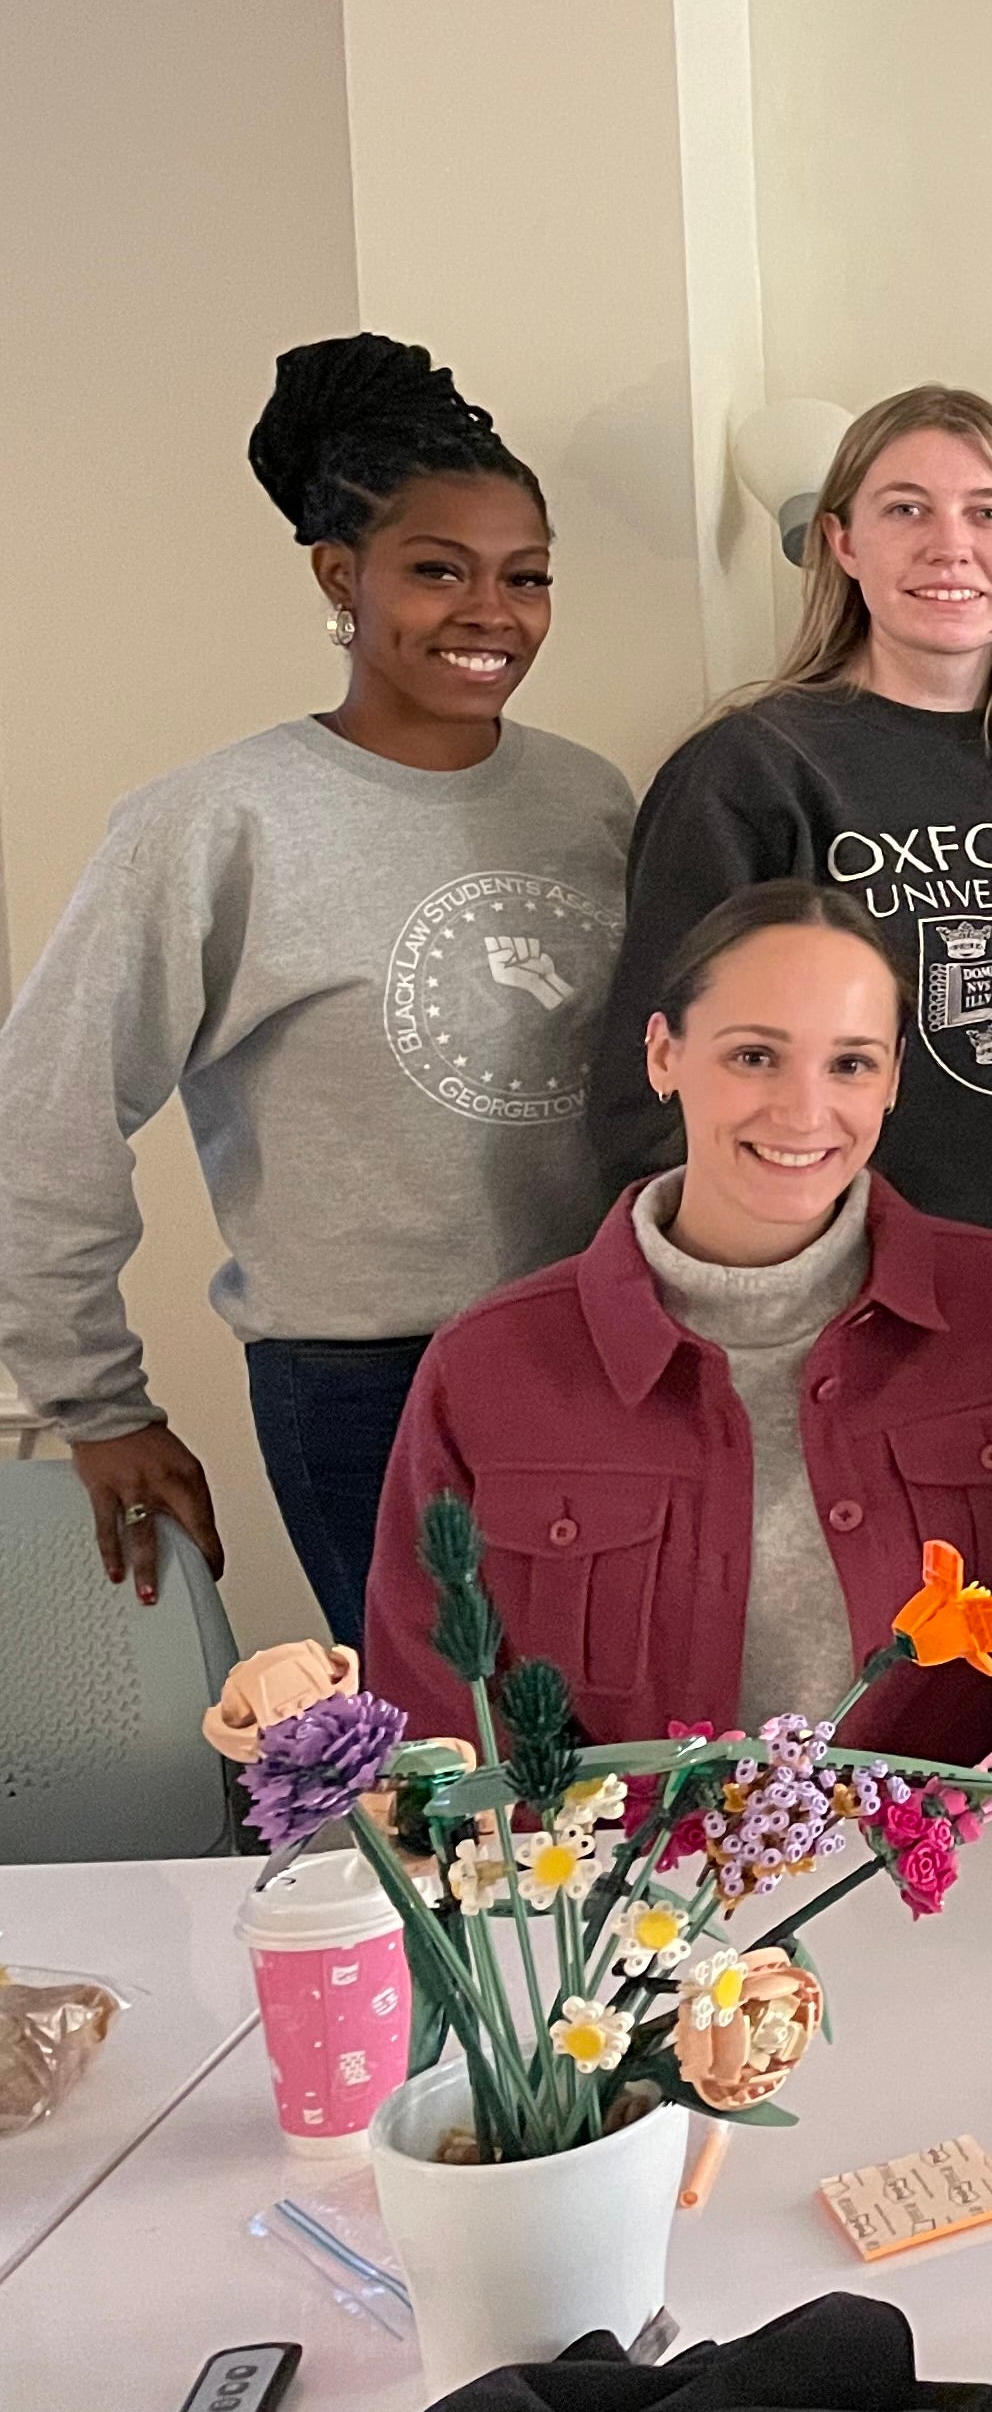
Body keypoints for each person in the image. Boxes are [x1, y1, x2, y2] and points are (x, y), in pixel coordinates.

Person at [0, 337, 630, 1636]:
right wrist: (99, 1406)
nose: (490, 612)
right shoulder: (219, 824)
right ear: (341, 578)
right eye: (437, 571)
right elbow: (43, 1114)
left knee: (617, 1767)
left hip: (601, 1357)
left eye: (527, 578)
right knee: (452, 1777)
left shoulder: (590, 801)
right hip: (365, 1387)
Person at [363, 884, 992, 1763]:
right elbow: (442, 1726)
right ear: (663, 1054)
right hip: (616, 1888)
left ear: (896, 1077)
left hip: (978, 1876)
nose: (802, 1111)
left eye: (851, 1064)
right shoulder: (489, 1367)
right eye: (754, 1056)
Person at [593, 385, 992, 1332]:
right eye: (906, 509)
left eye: (989, 512)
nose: (951, 545)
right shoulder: (753, 772)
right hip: (843, 1297)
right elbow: (648, 1089)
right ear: (842, 543)